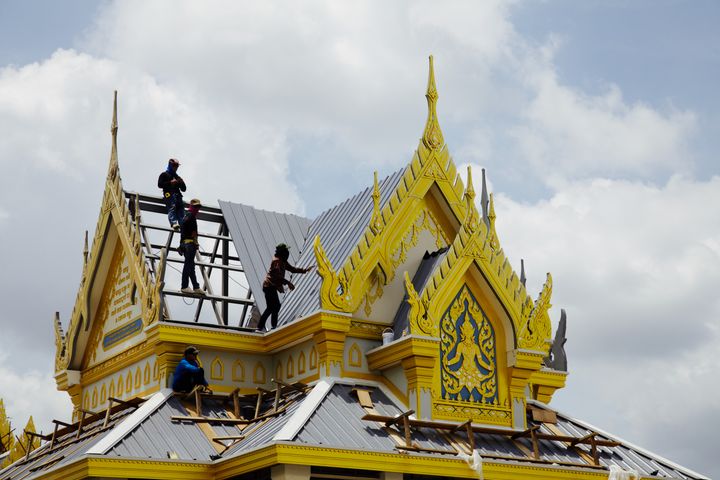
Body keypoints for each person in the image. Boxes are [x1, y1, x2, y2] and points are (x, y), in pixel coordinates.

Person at [257, 243, 313, 332]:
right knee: (273, 307)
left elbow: (292, 269)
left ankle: (268, 327)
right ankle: (263, 327)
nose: (288, 254)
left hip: (271, 286)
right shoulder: (277, 262)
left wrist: (304, 270)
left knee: (273, 307)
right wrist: (288, 283)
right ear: (282, 253)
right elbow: (277, 276)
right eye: (286, 252)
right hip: (269, 286)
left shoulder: (282, 261)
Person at [180, 199, 205, 295]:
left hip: (188, 244)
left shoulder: (187, 215)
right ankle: (184, 286)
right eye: (196, 207)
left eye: (198, 207)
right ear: (191, 206)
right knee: (188, 265)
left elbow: (183, 228)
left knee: (191, 266)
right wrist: (194, 238)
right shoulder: (190, 216)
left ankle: (196, 286)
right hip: (189, 244)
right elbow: (188, 228)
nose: (197, 209)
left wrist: (182, 243)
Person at [157, 158, 187, 230]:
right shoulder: (164, 174)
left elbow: (184, 189)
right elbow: (160, 184)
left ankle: (182, 224)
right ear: (170, 165)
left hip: (178, 196)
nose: (175, 167)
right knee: (172, 207)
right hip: (169, 194)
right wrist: (170, 183)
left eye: (177, 166)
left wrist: (180, 182)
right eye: (174, 165)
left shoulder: (177, 177)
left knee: (181, 209)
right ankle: (173, 223)